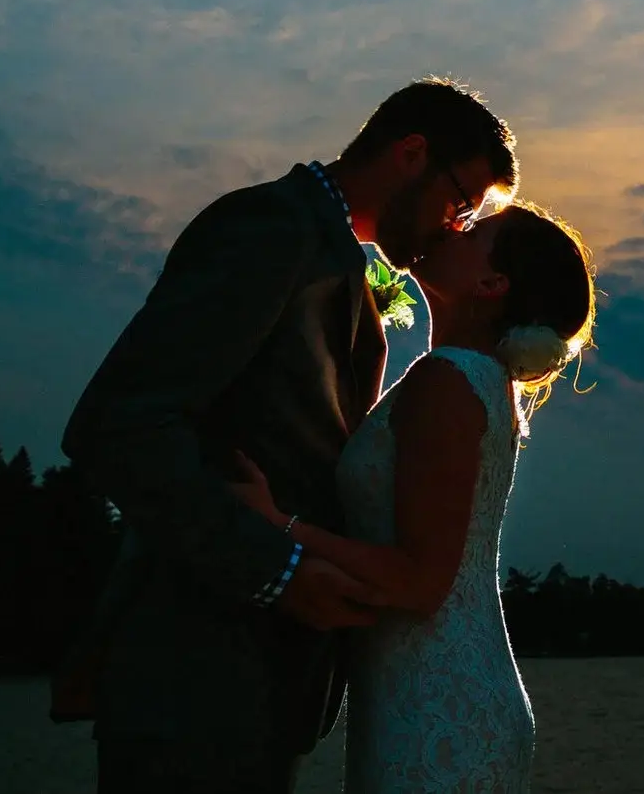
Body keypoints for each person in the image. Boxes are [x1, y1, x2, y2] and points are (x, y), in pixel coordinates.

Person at [61, 78, 518, 794]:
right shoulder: (272, 229)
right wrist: (278, 571)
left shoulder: (332, 257)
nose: (453, 227)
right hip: (193, 675)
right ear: (411, 152)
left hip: (264, 686)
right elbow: (122, 424)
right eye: (460, 201)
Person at [227, 200, 595, 794]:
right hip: (430, 689)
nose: (452, 224)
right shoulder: (467, 379)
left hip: (438, 703)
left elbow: (420, 582)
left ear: (490, 283)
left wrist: (278, 523)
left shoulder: (449, 381)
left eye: (473, 230)